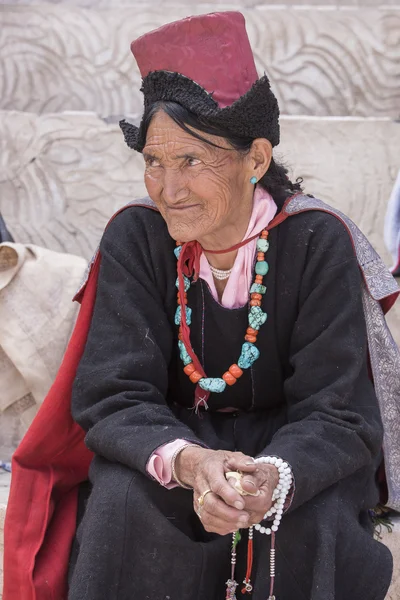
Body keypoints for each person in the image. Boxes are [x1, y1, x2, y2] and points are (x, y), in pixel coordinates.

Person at [4, 11, 400, 600]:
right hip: (171, 447)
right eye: (153, 162)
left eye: (191, 160)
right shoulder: (136, 237)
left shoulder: (318, 241)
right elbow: (112, 394)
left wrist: (271, 477)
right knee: (119, 501)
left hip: (290, 453)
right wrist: (191, 464)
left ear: (256, 160)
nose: (168, 188)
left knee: (312, 520)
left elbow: (338, 411)